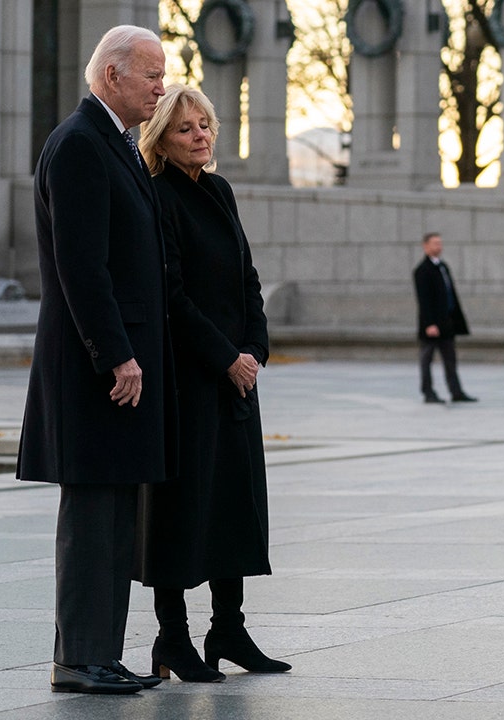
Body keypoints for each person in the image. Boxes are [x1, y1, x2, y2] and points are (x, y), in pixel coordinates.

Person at [16, 25, 171, 694]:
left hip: (116, 368)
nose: (161, 87)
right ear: (112, 75)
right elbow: (83, 269)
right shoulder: (80, 145)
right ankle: (78, 660)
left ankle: (100, 656)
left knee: (113, 520)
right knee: (91, 520)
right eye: (151, 75)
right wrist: (116, 355)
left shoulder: (116, 144)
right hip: (97, 372)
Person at [134, 84, 290, 683]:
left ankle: (228, 629)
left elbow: (247, 278)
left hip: (235, 380)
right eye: (185, 129)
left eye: (204, 125)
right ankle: (172, 639)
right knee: (180, 509)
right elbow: (171, 295)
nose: (200, 136)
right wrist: (226, 356)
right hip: (188, 380)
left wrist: (253, 351)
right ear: (162, 140)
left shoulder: (220, 191)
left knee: (235, 504)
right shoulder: (157, 196)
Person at [413, 232, 477, 404]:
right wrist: (429, 324)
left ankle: (456, 391)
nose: (438, 247)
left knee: (450, 359)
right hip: (432, 325)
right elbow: (424, 300)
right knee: (426, 359)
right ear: (425, 246)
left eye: (440, 243)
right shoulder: (422, 270)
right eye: (434, 243)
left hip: (447, 323)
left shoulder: (443, 267)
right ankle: (428, 392)